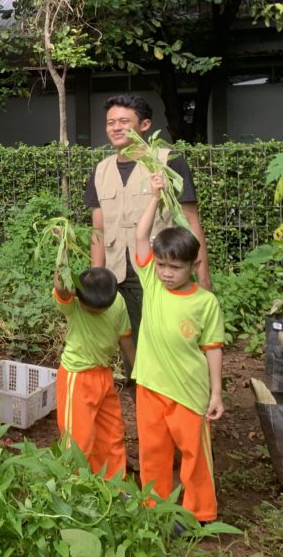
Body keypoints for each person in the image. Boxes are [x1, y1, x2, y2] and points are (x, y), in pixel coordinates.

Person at [85, 95, 211, 374]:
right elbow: (98, 228)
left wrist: (203, 274)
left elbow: (190, 219)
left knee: (169, 337)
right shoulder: (100, 170)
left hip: (161, 270)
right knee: (127, 336)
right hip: (118, 271)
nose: (116, 128)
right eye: (110, 122)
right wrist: (97, 275)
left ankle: (177, 390)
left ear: (144, 125)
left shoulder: (168, 162)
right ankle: (140, 390)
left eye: (124, 122)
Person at [134, 173, 224, 523]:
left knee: (195, 456)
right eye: (162, 265)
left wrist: (216, 393)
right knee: (152, 451)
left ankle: (199, 514)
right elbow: (141, 236)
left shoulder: (205, 303)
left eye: (175, 267)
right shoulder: (151, 284)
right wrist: (154, 196)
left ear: (193, 266)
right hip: (150, 387)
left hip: (190, 392)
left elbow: (213, 348)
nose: (166, 273)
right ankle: (153, 508)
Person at [52, 266, 134, 479]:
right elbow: (61, 288)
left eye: (100, 310)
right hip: (76, 378)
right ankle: (74, 487)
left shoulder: (118, 302)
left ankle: (113, 484)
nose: (96, 312)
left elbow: (125, 337)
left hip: (103, 375)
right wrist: (63, 254)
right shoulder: (74, 304)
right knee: (78, 440)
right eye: (92, 309)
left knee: (112, 432)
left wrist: (136, 370)